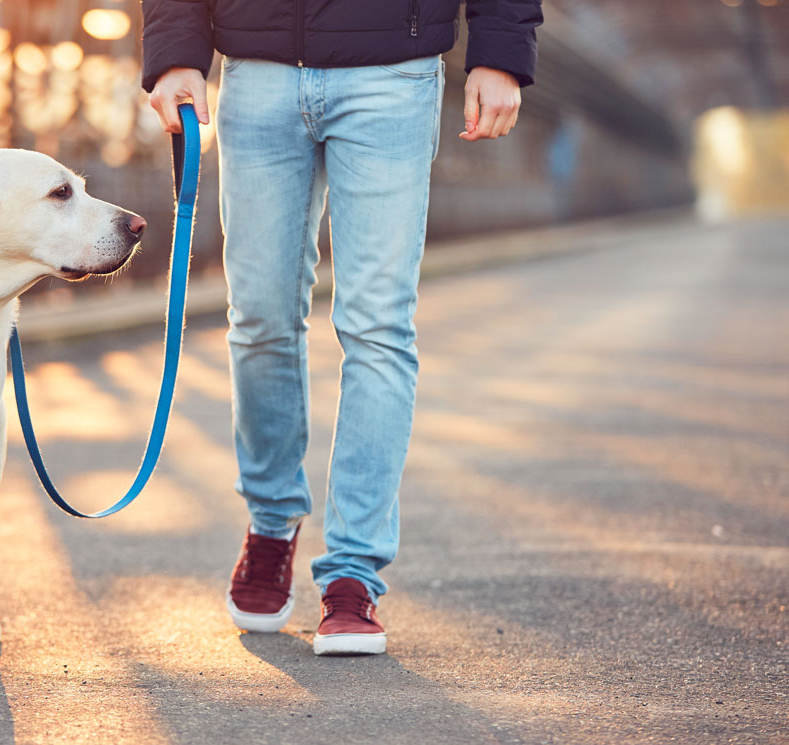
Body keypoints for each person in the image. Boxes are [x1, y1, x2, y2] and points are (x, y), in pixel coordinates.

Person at [140, 0, 542, 656]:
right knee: (260, 319)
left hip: (394, 72)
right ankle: (272, 523)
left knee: (377, 325)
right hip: (257, 70)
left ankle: (353, 570)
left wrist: (500, 51)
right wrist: (175, 54)